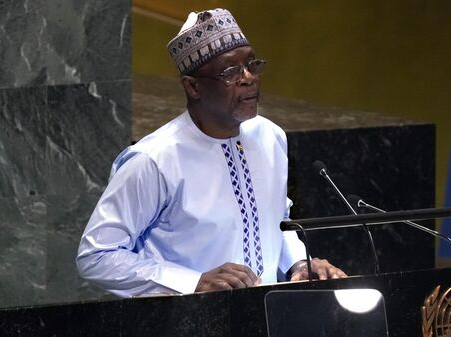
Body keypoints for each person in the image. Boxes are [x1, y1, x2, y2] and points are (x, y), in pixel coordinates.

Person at [76, 8, 346, 297]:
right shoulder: (154, 160)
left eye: (252, 65)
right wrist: (193, 281)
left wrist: (298, 263)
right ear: (193, 86)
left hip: (266, 315)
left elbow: (275, 220)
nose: (248, 78)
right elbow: (97, 256)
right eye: (230, 71)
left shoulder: (270, 136)